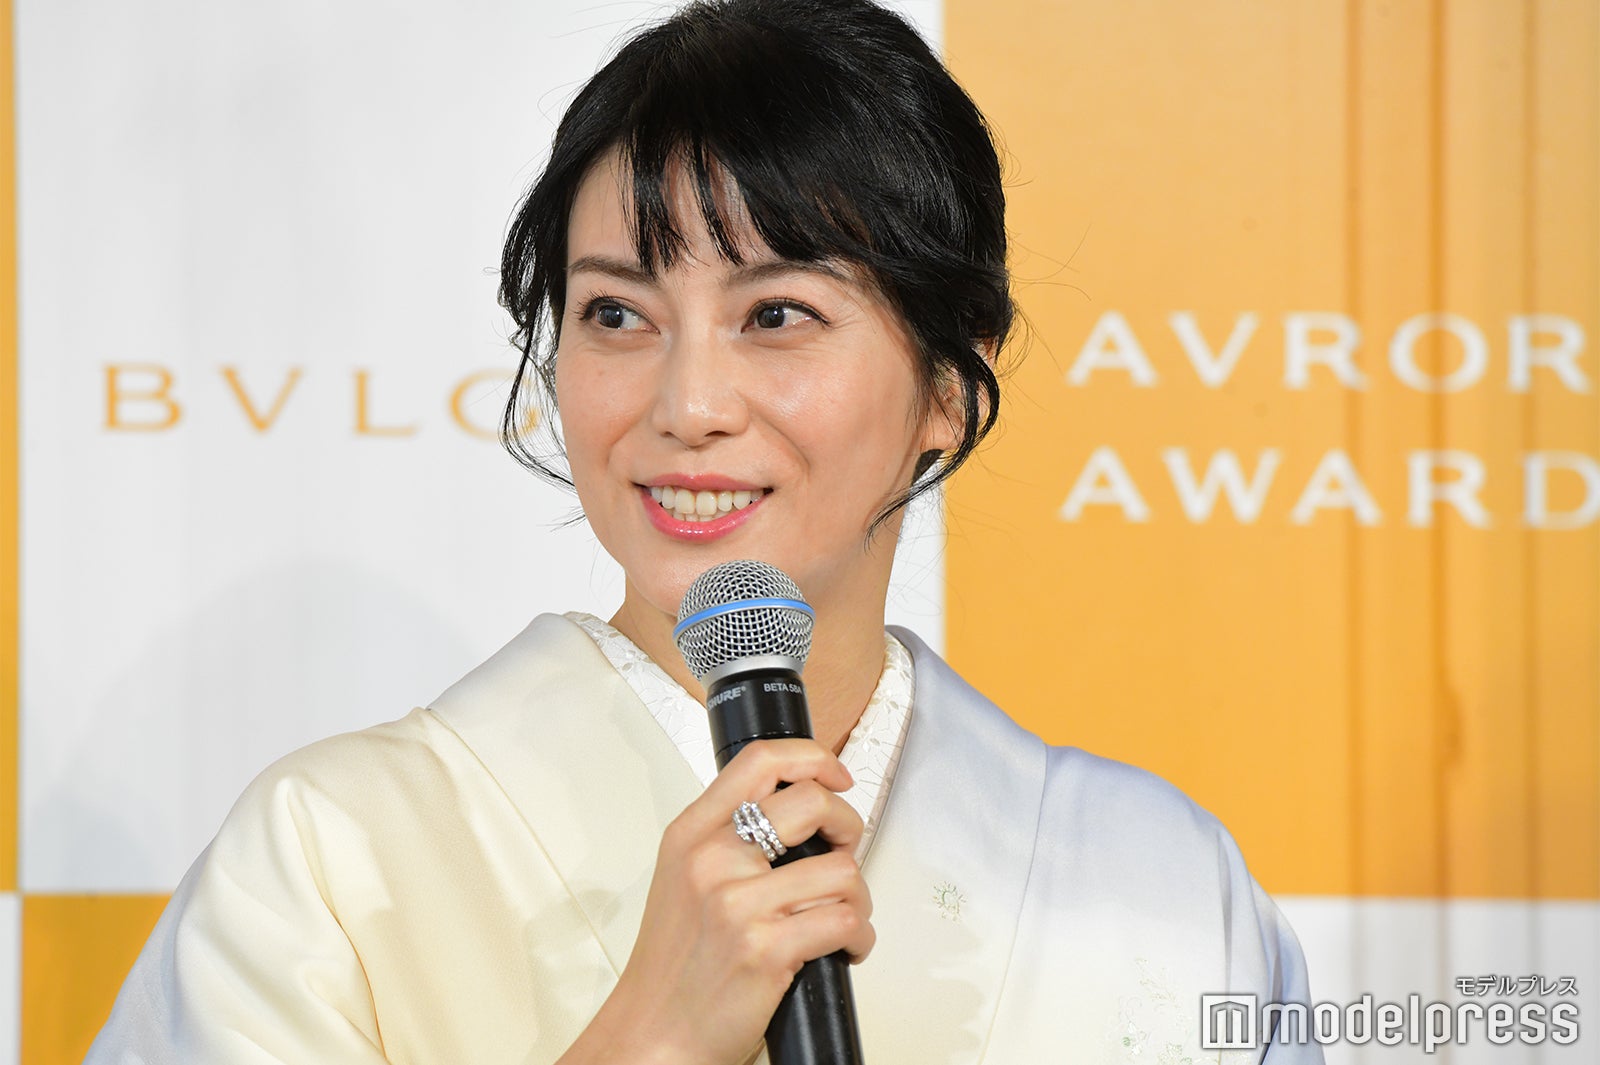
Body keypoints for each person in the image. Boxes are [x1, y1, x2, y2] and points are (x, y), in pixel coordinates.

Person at [88, 1, 1320, 1062]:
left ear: (949, 383)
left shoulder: (1159, 880)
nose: (686, 406)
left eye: (776, 314)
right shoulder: (329, 864)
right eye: (616, 316)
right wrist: (650, 1037)